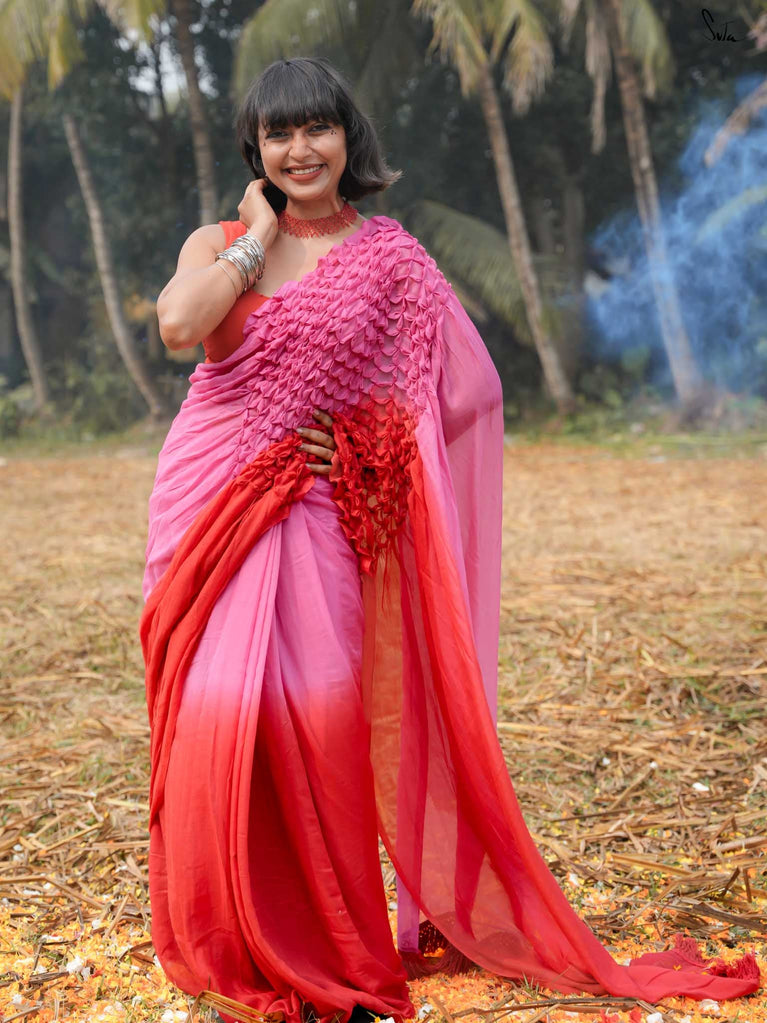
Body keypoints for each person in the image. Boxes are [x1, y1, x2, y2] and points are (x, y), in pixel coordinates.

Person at [140, 57, 760, 1023]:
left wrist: (363, 448)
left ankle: (329, 948)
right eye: (277, 134)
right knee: (221, 720)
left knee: (321, 718)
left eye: (316, 128)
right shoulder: (218, 242)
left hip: (314, 510)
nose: (299, 150)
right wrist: (256, 238)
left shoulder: (391, 262)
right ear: (255, 149)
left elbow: (468, 394)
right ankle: (235, 948)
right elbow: (180, 325)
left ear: (348, 138)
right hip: (206, 504)